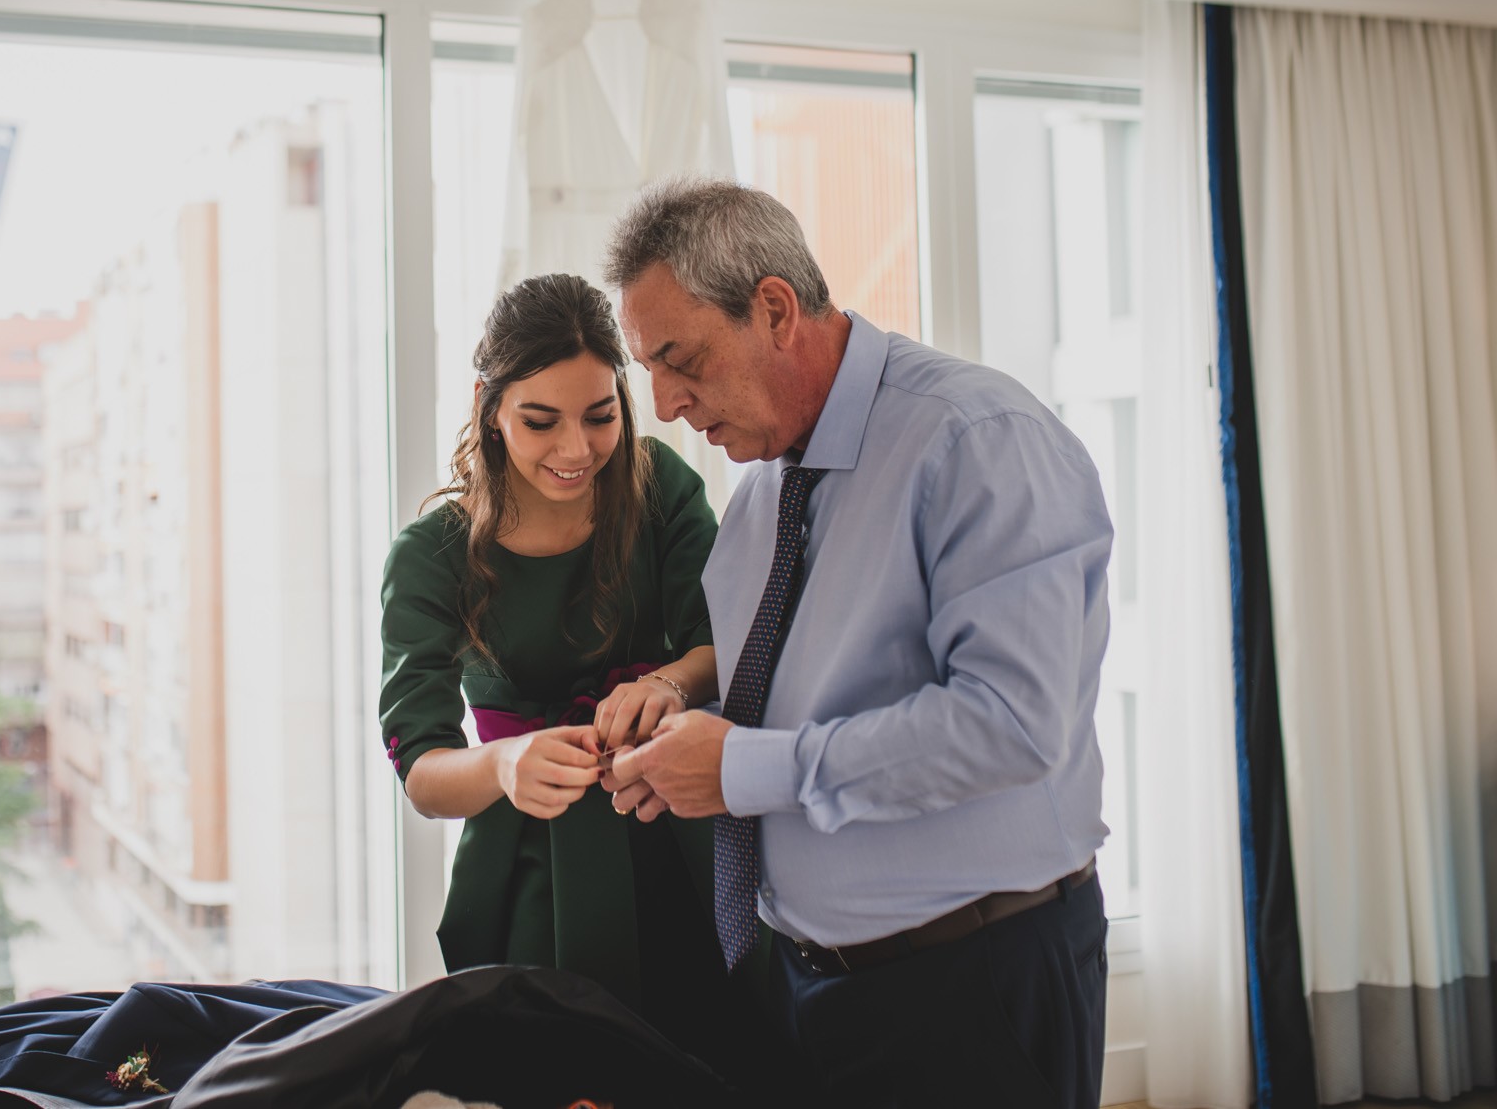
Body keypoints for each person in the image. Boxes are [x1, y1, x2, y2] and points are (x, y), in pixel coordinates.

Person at [601, 178, 1115, 1108]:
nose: (666, 404)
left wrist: (742, 770)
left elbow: (1009, 723)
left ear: (773, 308)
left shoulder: (976, 439)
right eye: (649, 371)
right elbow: (812, 708)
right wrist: (686, 736)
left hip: (973, 983)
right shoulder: (761, 489)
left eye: (679, 359)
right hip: (809, 989)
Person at [377, 272, 732, 1062]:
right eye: (542, 421)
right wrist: (505, 763)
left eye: (600, 416)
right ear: (489, 407)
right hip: (528, 875)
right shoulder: (432, 557)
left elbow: (728, 646)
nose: (577, 450)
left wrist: (669, 684)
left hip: (682, 840)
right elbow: (421, 767)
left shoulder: (660, 488)